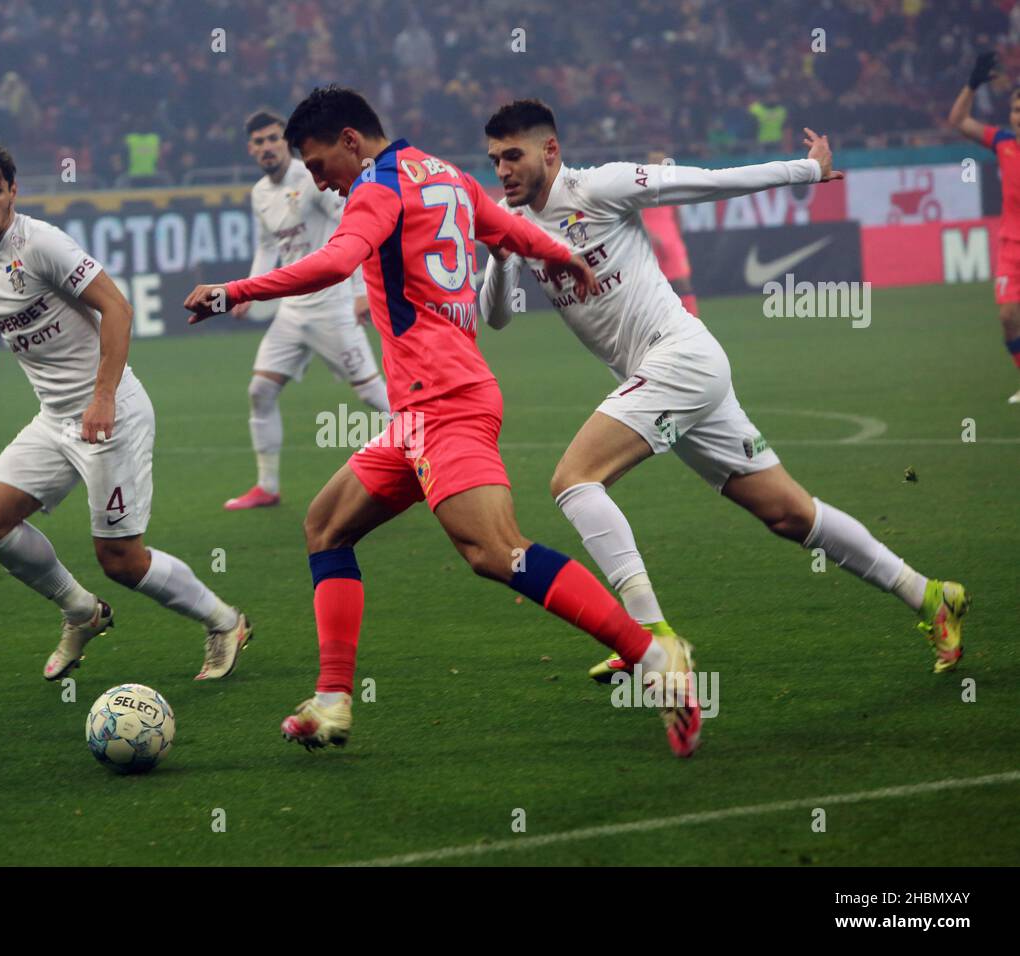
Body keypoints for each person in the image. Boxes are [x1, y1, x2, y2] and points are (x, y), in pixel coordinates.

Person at [185, 86, 702, 758]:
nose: (317, 181)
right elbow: (508, 230)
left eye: (317, 166)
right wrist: (562, 255)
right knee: (325, 527)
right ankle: (334, 701)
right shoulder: (445, 174)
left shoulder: (377, 185)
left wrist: (235, 292)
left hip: (446, 403)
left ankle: (654, 658)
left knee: (497, 552)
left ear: (350, 141)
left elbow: (338, 262)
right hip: (420, 411)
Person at [477, 100, 968, 683]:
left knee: (573, 481)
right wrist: (502, 254)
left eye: (513, 156)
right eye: (495, 160)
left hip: (677, 357)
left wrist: (805, 171)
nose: (503, 170)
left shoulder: (598, 187)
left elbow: (703, 183)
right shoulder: (513, 221)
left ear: (549, 151)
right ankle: (930, 595)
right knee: (788, 514)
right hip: (672, 377)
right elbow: (498, 318)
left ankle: (649, 640)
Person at [0, 139, 252, 684]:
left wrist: (102, 397)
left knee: (120, 560)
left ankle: (224, 622)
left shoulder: (43, 243)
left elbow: (117, 308)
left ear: (12, 192)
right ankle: (80, 611)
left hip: (111, 413)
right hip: (55, 421)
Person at [224, 110, 389, 511]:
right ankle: (267, 486)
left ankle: (427, 455)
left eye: (273, 139)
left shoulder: (312, 179)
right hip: (292, 311)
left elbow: (351, 230)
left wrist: (359, 290)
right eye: (259, 142)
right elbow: (268, 247)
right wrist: (248, 289)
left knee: (374, 396)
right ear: (251, 150)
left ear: (287, 142)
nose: (267, 147)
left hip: (333, 306)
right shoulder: (260, 193)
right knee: (260, 390)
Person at [948, 51, 1020, 404]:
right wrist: (972, 85)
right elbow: (958, 120)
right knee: (1008, 317)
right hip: (1011, 247)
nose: (1018, 116)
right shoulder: (1004, 142)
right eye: (1016, 110)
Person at [640, 150, 699, 317]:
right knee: (654, 287)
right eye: (653, 160)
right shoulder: (641, 188)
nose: (657, 164)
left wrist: (678, 240)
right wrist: (650, 235)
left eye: (660, 160)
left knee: (683, 282)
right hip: (650, 243)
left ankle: (693, 320)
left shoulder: (671, 188)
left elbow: (677, 215)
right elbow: (637, 216)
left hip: (672, 241)